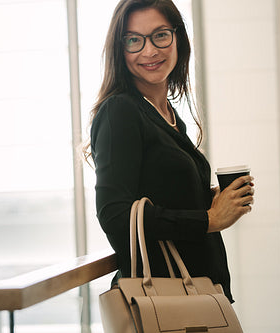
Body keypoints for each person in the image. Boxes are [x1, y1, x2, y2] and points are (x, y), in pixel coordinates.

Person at [85, 0, 254, 303]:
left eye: (160, 35)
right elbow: (115, 215)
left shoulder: (169, 116)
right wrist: (209, 219)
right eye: (134, 40)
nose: (149, 51)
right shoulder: (120, 112)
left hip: (200, 293)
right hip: (169, 301)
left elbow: (164, 195)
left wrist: (210, 200)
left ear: (178, 38)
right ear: (120, 50)